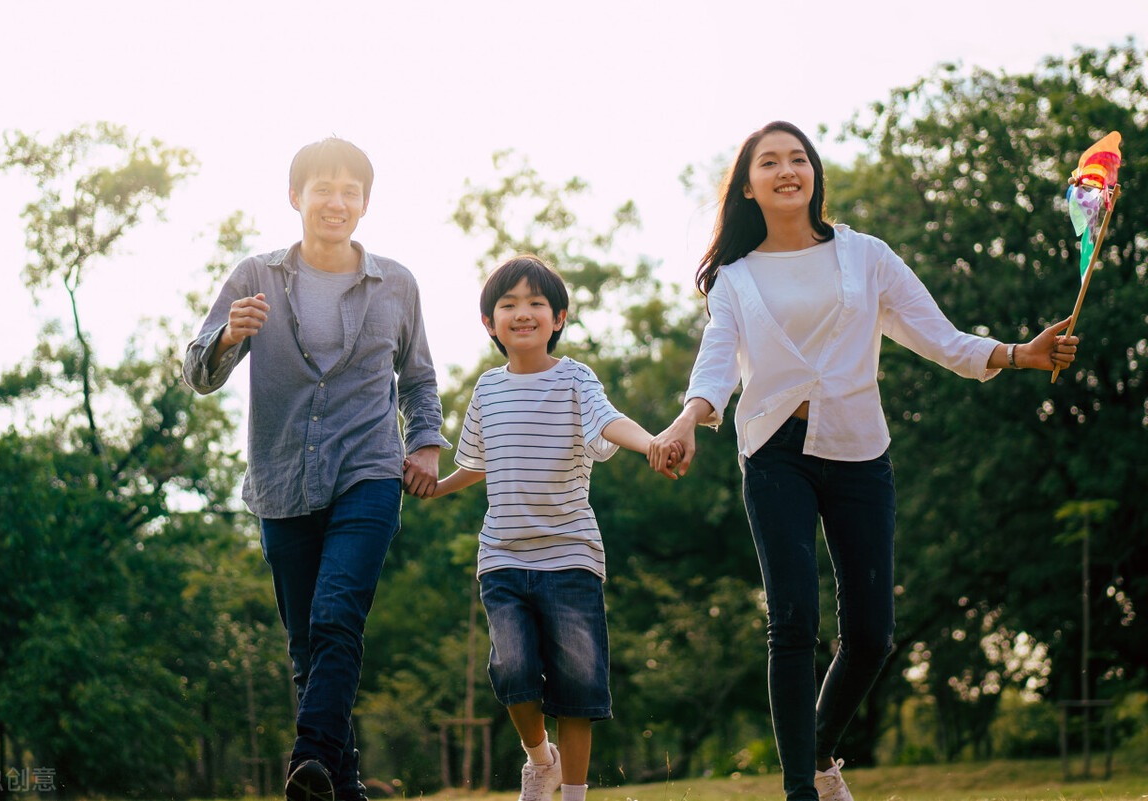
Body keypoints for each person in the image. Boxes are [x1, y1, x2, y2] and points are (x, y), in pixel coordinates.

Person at [647, 121, 1078, 801]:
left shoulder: (865, 256)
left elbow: (939, 336)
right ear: (749, 186)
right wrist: (685, 420)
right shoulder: (733, 277)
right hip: (774, 452)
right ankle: (800, 792)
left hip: (858, 451)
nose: (787, 169)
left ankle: (820, 755)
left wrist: (1020, 352)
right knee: (792, 620)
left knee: (872, 634)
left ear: (814, 172)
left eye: (798, 158)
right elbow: (716, 363)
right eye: (770, 162)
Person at [183, 137, 449, 801]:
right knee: (307, 644)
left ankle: (307, 758)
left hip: (369, 471)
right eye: (322, 187)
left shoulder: (396, 283)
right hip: (282, 481)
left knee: (336, 616)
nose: (336, 200)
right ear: (296, 195)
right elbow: (196, 371)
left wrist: (425, 444)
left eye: (349, 190)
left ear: (363, 203)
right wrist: (226, 338)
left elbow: (418, 378)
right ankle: (341, 783)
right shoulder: (255, 277)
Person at [426, 256, 676, 801]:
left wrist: (652, 442)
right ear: (490, 323)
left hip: (571, 556)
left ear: (558, 317)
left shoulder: (575, 378)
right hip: (503, 557)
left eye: (536, 303)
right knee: (512, 671)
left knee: (578, 685)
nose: (523, 312)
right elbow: (477, 463)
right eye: (509, 304)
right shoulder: (487, 391)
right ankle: (541, 761)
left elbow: (608, 421)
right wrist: (435, 488)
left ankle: (574, 795)